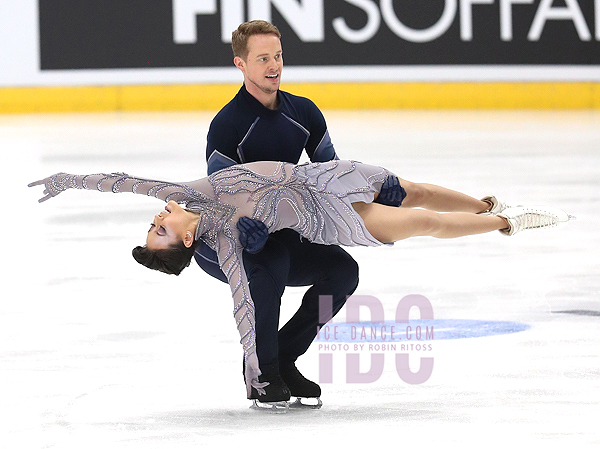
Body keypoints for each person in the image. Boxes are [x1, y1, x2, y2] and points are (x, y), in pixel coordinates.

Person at [29, 159, 571, 407]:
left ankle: (493, 204)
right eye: (159, 230)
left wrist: (67, 179)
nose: (156, 218)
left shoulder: (180, 191)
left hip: (323, 178)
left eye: (152, 224)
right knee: (420, 225)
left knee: (415, 190)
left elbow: (121, 181)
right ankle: (509, 223)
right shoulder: (228, 245)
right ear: (187, 241)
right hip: (323, 218)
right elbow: (246, 304)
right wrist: (255, 369)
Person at [196, 20, 392, 406]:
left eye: (279, 56)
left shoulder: (303, 112)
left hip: (279, 231)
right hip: (226, 241)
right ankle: (261, 373)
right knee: (269, 265)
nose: (274, 66)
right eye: (263, 58)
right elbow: (217, 201)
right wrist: (245, 227)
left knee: (341, 272)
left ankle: (285, 355)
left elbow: (332, 178)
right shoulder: (227, 126)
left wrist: (384, 192)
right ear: (241, 64)